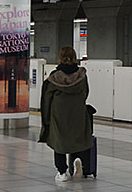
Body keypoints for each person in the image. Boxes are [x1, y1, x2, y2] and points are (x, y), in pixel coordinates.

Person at [38, 47, 93, 183]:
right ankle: (77, 159)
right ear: (74, 57)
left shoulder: (54, 77)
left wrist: (46, 118)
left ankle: (62, 172)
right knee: (76, 138)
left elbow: (47, 98)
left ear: (60, 58)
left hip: (59, 113)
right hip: (77, 112)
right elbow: (86, 93)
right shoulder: (81, 75)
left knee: (59, 142)